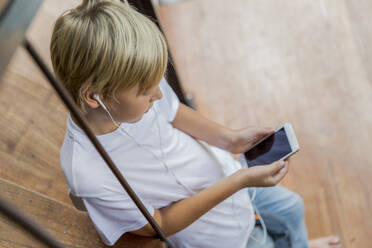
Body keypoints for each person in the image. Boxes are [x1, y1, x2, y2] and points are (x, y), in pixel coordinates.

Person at [52, 0, 342, 247]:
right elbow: (160, 224)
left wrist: (231, 140)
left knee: (292, 208)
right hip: (215, 232)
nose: (158, 93)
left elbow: (174, 113)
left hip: (229, 174)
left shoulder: (137, 85)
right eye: (145, 91)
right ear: (95, 97)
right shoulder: (88, 172)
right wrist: (239, 182)